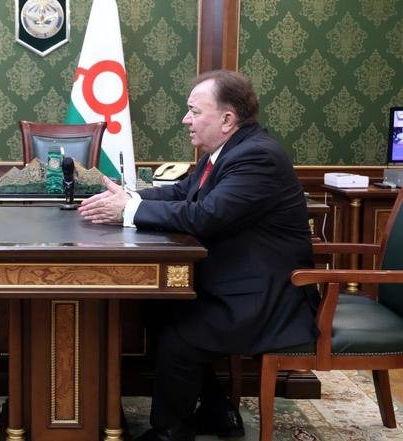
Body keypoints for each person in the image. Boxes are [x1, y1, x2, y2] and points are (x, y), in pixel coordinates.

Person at [78, 70, 319, 441]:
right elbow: (181, 193)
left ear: (227, 119)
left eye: (194, 111)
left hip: (268, 296)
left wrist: (128, 210)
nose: (185, 119)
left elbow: (207, 215)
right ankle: (218, 412)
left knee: (180, 336)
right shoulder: (223, 153)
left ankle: (170, 432)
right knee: (156, 309)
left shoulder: (257, 157)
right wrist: (128, 197)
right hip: (237, 281)